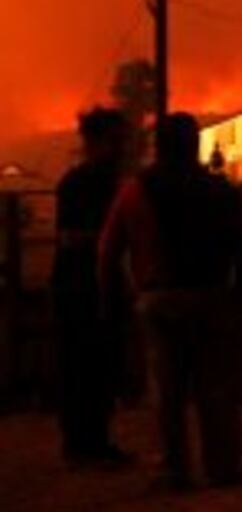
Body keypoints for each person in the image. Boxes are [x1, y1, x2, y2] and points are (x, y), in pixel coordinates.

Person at [99, 113, 242, 490]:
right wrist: (239, 296)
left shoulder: (134, 191)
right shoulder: (221, 191)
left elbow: (107, 251)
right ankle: (223, 468)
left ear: (158, 145)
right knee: (216, 388)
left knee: (167, 390)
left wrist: (113, 301)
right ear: (195, 144)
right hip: (212, 299)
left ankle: (173, 470)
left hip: (159, 301)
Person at [51, 107, 133, 466]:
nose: (121, 148)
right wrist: (109, 241)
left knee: (99, 363)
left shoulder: (106, 182)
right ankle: (82, 443)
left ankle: (92, 440)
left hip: (95, 281)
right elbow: (70, 238)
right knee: (83, 362)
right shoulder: (81, 184)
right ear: (95, 142)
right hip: (79, 285)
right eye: (115, 141)